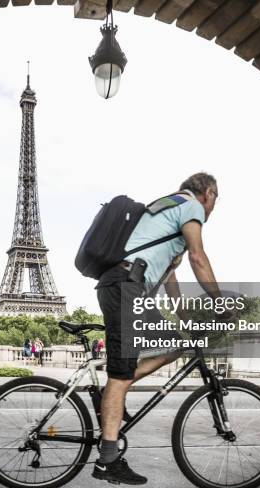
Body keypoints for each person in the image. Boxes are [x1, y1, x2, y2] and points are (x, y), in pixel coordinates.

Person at [92, 172, 223, 485]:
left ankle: (110, 396)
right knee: (121, 375)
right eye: (216, 200)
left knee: (176, 343)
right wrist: (219, 302)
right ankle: (108, 460)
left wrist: (182, 317)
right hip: (126, 285)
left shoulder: (164, 208)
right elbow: (198, 257)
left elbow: (169, 276)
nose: (214, 207)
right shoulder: (190, 205)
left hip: (123, 284)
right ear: (208, 192)